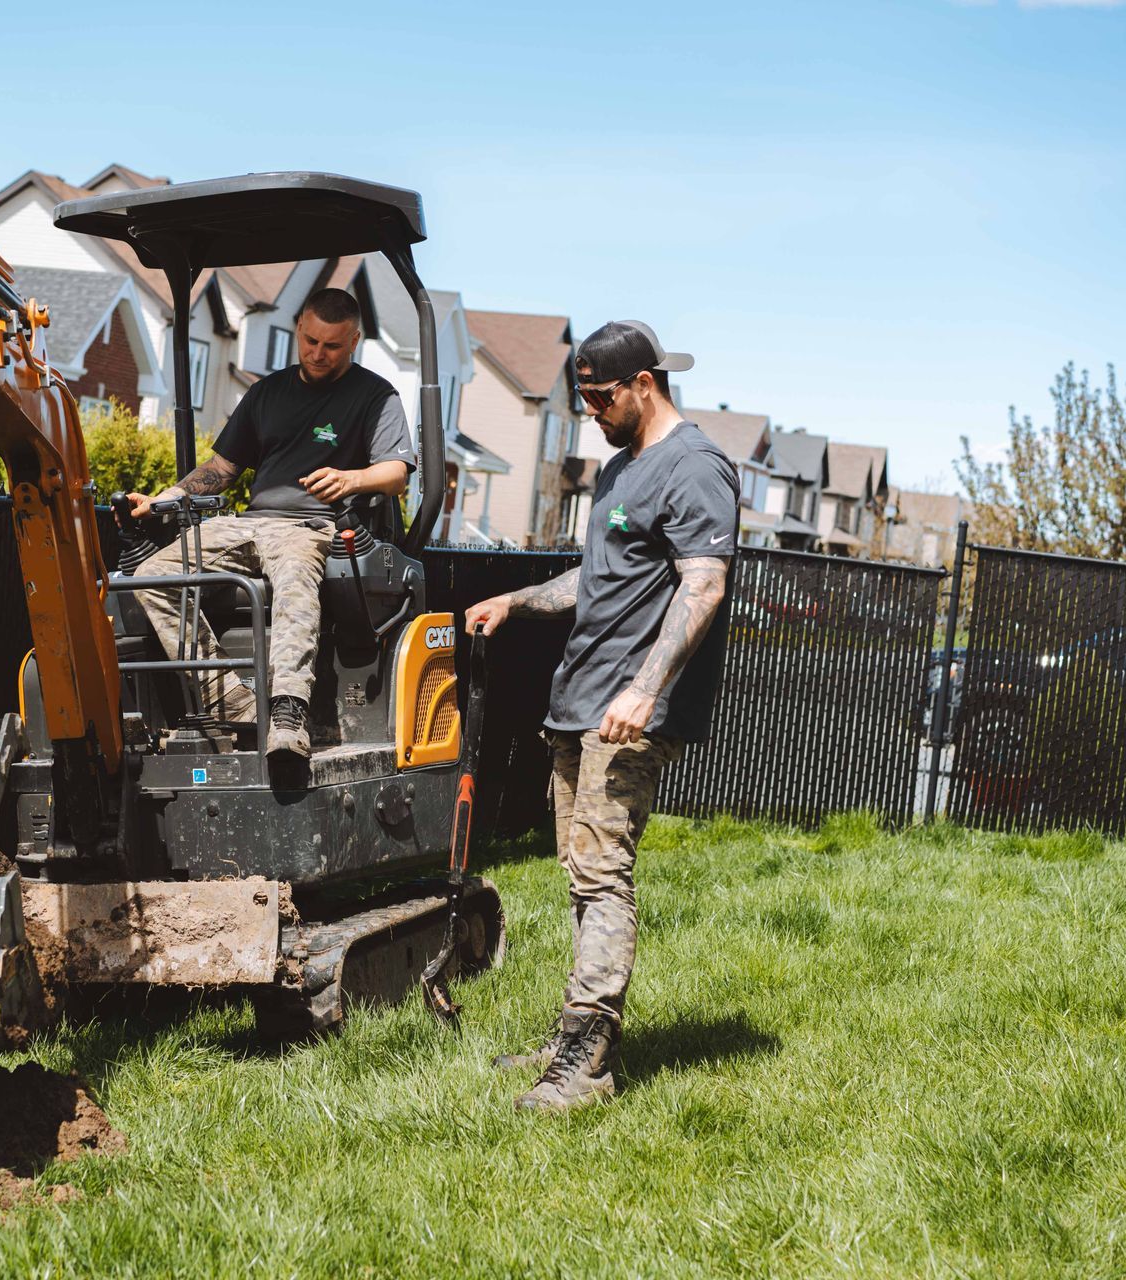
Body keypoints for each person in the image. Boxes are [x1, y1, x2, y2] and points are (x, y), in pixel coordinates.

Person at [464, 320, 736, 1114]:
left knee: (603, 873)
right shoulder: (622, 470)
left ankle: (587, 1062)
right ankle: (571, 1036)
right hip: (579, 702)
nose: (587, 410)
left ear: (642, 385)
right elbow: (600, 577)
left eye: (597, 396)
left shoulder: (695, 467)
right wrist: (516, 600)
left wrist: (646, 691)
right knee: (579, 877)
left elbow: (704, 585)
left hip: (627, 712)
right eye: (579, 395)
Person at [127, 288, 416, 760]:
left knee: (294, 576)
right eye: (310, 341)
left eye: (332, 346)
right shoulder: (267, 392)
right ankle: (230, 699)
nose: (317, 354)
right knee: (154, 575)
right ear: (299, 327)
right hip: (250, 523)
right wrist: (164, 501)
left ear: (355, 341)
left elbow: (396, 474)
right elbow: (219, 471)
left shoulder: (375, 396)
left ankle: (288, 713)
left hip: (313, 526)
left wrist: (351, 478)